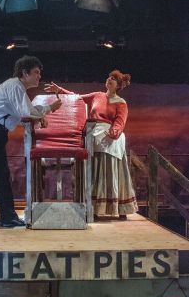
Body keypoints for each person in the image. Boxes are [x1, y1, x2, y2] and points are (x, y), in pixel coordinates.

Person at [0, 55, 62, 231]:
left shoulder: (16, 88)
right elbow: (26, 111)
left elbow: (21, 113)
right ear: (25, 73)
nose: (39, 76)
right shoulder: (15, 86)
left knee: (1, 176)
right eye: (36, 72)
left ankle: (8, 218)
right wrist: (49, 109)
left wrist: (38, 117)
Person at [44, 70, 138, 219]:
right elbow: (76, 98)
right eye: (109, 77)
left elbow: (120, 122)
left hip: (109, 136)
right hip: (93, 133)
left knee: (109, 170)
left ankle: (118, 207)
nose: (109, 80)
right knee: (93, 168)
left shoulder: (121, 102)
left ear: (118, 85)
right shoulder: (98, 95)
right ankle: (94, 207)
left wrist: (113, 133)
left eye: (113, 79)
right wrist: (59, 90)